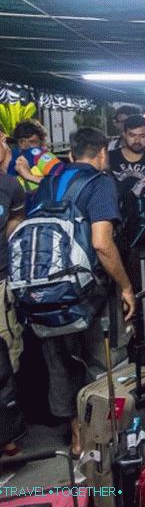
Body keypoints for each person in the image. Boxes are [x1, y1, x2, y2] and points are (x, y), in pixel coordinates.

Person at [37, 127, 136, 457]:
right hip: (88, 292)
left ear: (70, 153)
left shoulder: (50, 181)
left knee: (61, 364)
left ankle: (76, 436)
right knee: (103, 362)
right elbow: (101, 243)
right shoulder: (100, 182)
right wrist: (125, 286)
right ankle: (104, 440)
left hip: (45, 292)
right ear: (103, 154)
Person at [108, 115, 145, 285]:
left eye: (142, 136)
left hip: (144, 228)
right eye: (132, 135)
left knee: (140, 274)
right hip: (116, 226)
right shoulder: (109, 159)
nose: (137, 140)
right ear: (124, 135)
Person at [0, 165, 25, 457]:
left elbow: (18, 216)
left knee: (7, 357)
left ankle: (6, 434)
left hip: (2, 280)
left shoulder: (9, 185)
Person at [8, 119, 64, 210]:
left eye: (32, 142)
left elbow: (62, 182)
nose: (27, 146)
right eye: (22, 142)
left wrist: (29, 176)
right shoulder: (35, 155)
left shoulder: (37, 155)